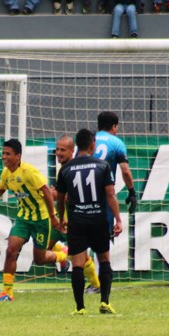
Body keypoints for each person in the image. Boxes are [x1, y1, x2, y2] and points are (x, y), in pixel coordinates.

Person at [0, 139, 67, 302]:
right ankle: (7, 293)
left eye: (8, 154)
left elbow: (46, 191)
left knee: (40, 259)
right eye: (3, 153)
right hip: (23, 218)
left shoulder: (29, 172)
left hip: (41, 220)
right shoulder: (6, 173)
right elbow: (0, 189)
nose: (4, 157)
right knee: (11, 251)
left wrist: (52, 216)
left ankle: (62, 255)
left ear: (18, 156)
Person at [55, 129, 123, 315]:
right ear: (93, 145)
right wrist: (118, 219)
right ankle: (105, 302)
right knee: (104, 259)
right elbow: (110, 194)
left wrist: (62, 219)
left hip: (77, 221)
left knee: (77, 263)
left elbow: (60, 199)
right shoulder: (102, 165)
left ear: (77, 146)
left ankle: (80, 308)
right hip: (99, 220)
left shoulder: (66, 169)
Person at [50, 134, 101, 294]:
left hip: (73, 220)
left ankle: (97, 285)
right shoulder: (62, 169)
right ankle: (65, 254)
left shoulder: (73, 169)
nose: (58, 153)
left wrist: (54, 194)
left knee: (82, 256)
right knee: (42, 251)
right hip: (61, 219)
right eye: (57, 149)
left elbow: (73, 197)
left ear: (72, 151)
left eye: (62, 150)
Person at [94, 111, 137, 221]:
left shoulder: (88, 140)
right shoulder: (117, 143)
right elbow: (125, 170)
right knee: (105, 230)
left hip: (84, 191)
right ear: (114, 126)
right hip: (106, 192)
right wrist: (131, 191)